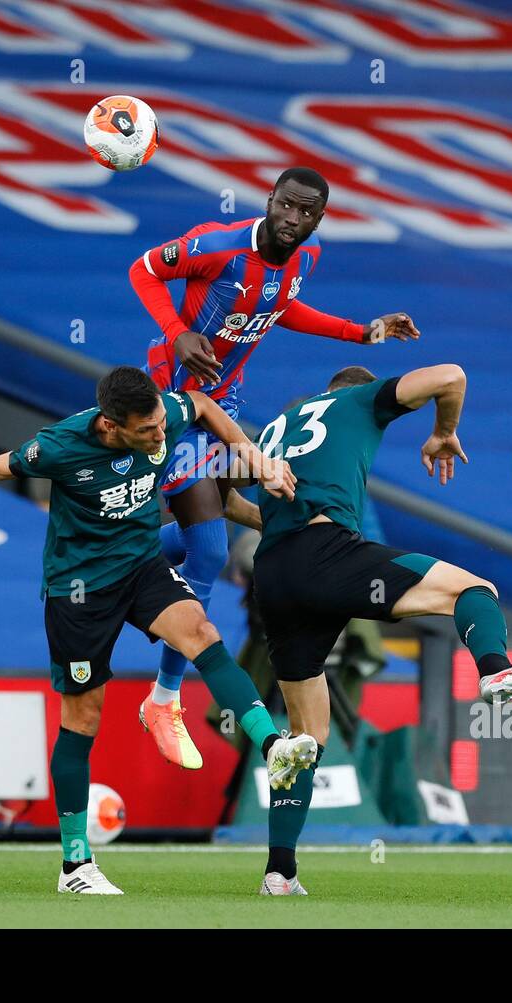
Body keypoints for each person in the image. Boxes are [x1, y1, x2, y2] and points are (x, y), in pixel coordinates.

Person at [0, 366, 319, 895]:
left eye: (161, 424)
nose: (160, 436)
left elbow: (201, 403)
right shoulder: (60, 447)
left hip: (142, 568)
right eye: (147, 431)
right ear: (111, 426)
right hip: (80, 592)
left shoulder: (164, 413)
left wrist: (252, 455)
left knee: (202, 633)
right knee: (83, 719)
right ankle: (76, 865)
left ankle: (272, 746)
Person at [242, 362, 512, 895]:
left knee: (303, 741)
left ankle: (279, 873)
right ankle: (494, 671)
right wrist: (443, 433)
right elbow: (453, 376)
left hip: (274, 575)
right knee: (475, 591)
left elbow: (226, 499)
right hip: (328, 555)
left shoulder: (276, 429)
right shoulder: (356, 402)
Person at [129, 165, 419, 771]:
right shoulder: (217, 244)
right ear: (270, 200)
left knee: (217, 519)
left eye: (306, 212)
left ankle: (114, 553)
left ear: (318, 218)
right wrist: (178, 331)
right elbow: (144, 269)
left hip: (225, 404)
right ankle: (165, 696)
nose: (293, 219)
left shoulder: (304, 257)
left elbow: (284, 308)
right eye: (286, 205)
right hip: (175, 402)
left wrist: (361, 334)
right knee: (209, 550)